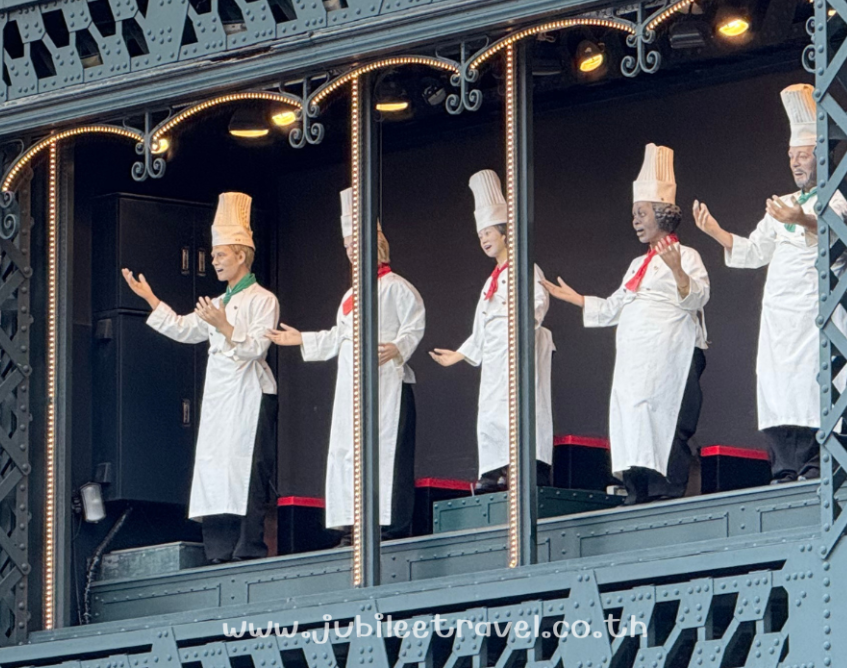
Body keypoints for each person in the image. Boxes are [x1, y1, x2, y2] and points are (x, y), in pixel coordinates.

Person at [692, 84, 847, 483]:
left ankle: (816, 464)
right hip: (779, 317)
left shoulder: (836, 199)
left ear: (822, 155)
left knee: (813, 387)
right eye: (791, 156)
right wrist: (715, 231)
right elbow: (754, 251)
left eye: (803, 155)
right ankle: (784, 466)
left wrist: (802, 219)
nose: (796, 163)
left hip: (816, 313)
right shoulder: (782, 204)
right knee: (778, 388)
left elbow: (840, 236)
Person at [543, 144, 710, 504]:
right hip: (635, 360)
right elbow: (614, 306)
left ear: (662, 214)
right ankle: (637, 488)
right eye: (634, 214)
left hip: (670, 353)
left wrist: (678, 271)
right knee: (631, 419)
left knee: (665, 419)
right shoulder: (636, 265)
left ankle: (667, 488)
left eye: (641, 213)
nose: (635, 220)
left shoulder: (688, 255)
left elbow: (698, 298)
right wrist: (576, 299)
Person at [120, 192, 278, 563]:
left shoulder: (263, 299)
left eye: (221, 255)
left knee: (247, 468)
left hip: (250, 393)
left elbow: (257, 346)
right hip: (220, 397)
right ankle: (218, 549)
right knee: (215, 469)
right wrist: (151, 299)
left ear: (241, 255)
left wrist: (224, 326)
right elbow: (184, 328)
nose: (215, 262)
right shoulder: (218, 302)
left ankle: (248, 547)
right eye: (214, 255)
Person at [267, 189, 425, 541]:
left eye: (356, 242)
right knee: (349, 451)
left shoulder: (397, 287)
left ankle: (389, 526)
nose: (352, 250)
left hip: (386, 384)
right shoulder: (349, 296)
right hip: (352, 388)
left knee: (387, 454)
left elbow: (415, 325)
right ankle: (356, 523)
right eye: (347, 245)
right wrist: (302, 339)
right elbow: (340, 336)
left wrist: (398, 348)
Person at [430, 169, 554, 492]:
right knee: (491, 413)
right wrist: (459, 354)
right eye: (480, 235)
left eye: (488, 232)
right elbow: (482, 327)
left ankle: (524, 467)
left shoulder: (525, 267)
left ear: (505, 233)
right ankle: (494, 470)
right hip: (495, 355)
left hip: (518, 349)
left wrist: (520, 329)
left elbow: (538, 302)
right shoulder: (491, 281)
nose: (484, 239)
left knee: (519, 408)